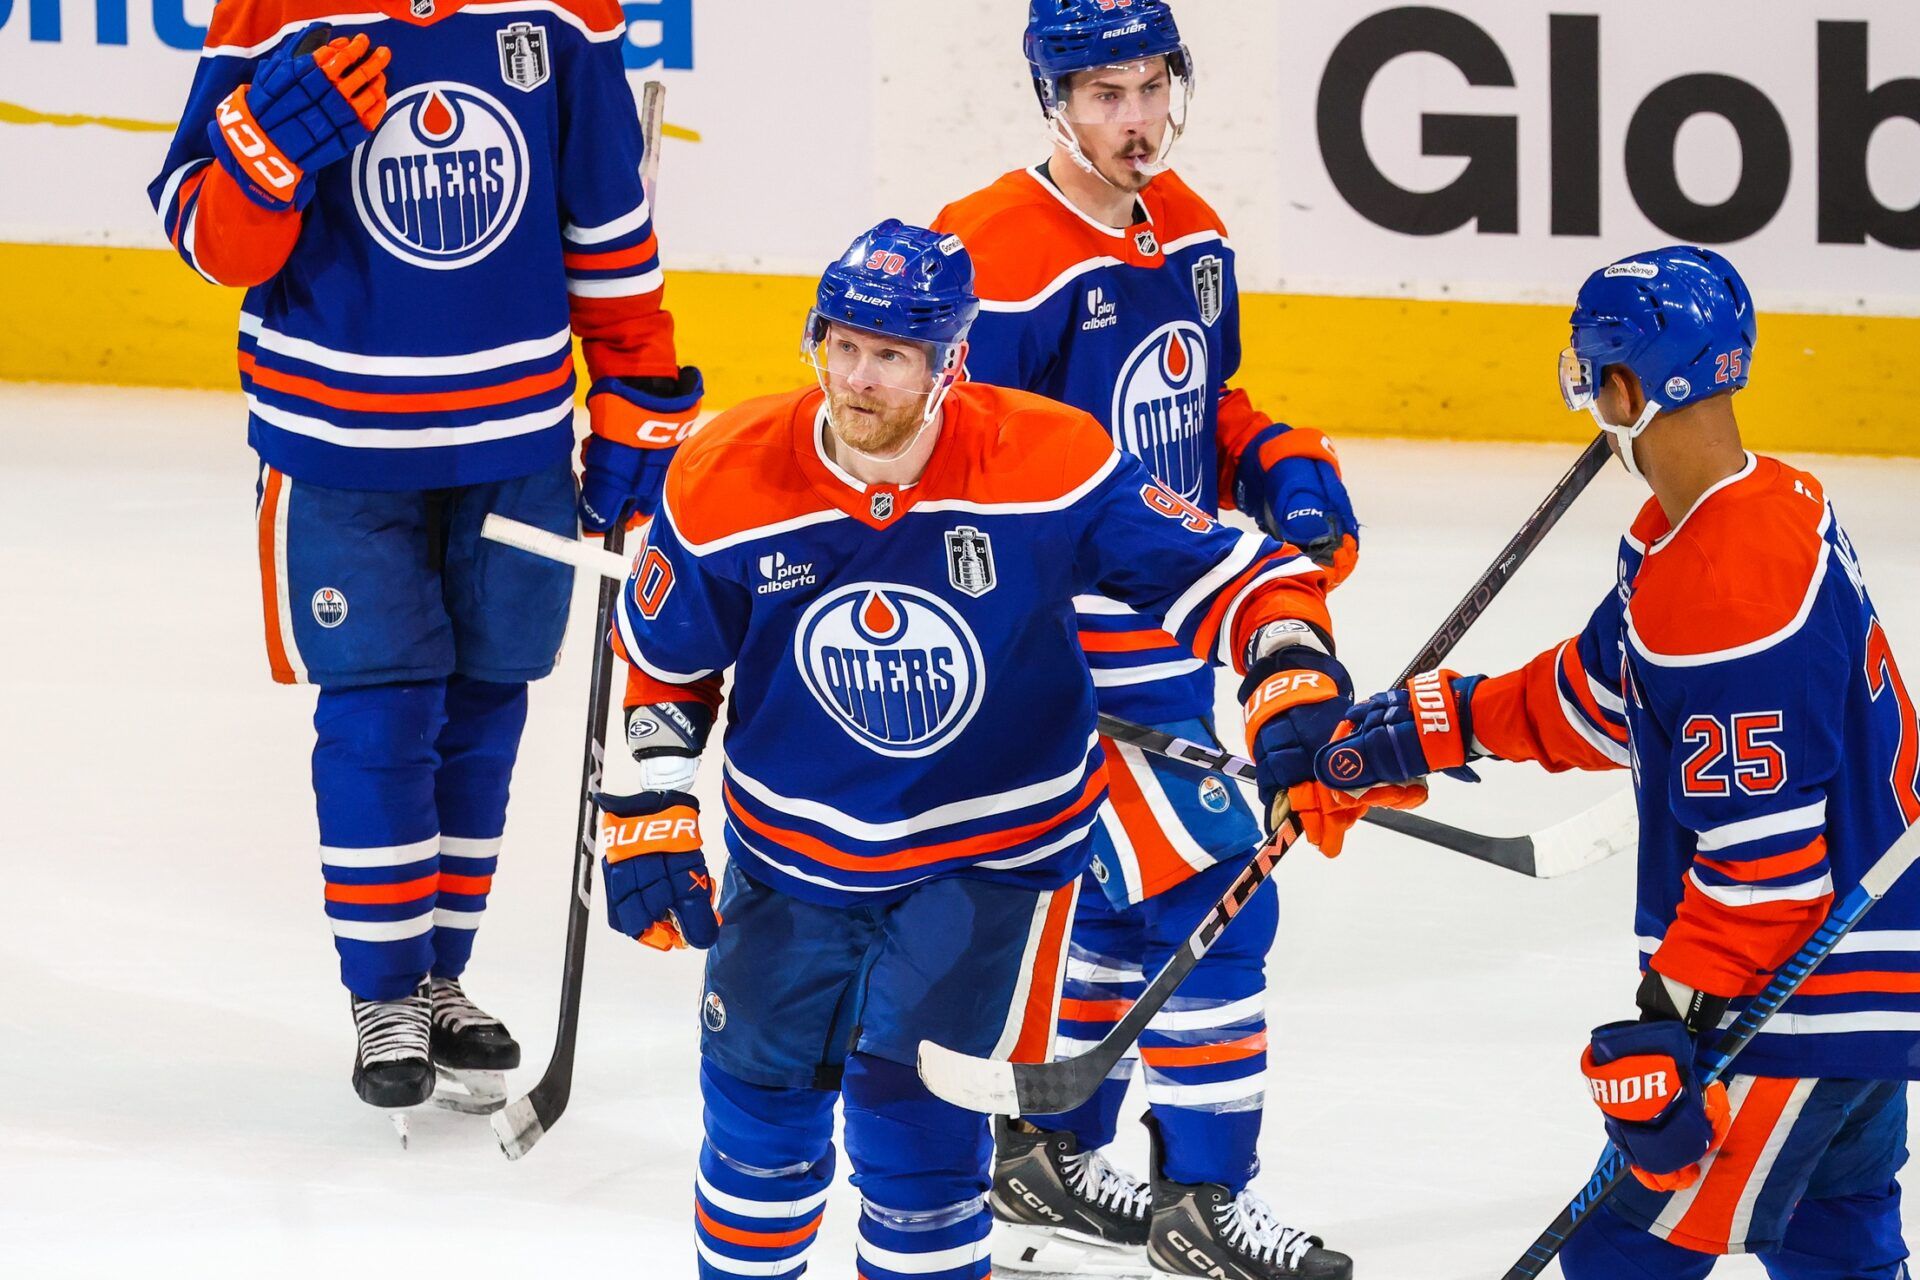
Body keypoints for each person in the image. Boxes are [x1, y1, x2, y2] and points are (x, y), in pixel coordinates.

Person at [597, 219, 1371, 1280]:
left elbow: (1233, 571)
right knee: (756, 1138)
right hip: (790, 866)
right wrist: (649, 798)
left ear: (948, 361)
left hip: (985, 869)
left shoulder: (1045, 464)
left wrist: (1290, 676)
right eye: (842, 345)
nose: (858, 380)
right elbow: (665, 665)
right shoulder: (722, 474)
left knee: (917, 1147)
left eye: (892, 355)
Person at [1319, 246, 1917, 1279]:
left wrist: (1670, 1022)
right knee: (1838, 1235)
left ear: (1628, 387)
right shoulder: (1750, 510)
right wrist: (1436, 723)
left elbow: (1766, 869)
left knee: (1624, 1250)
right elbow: (1608, 694)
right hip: (1871, 973)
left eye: (1595, 373)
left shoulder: (1726, 590)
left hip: (1803, 994)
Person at [148, 0, 702, 1110]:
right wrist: (266, 155)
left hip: (519, 441)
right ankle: (384, 991)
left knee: (488, 708)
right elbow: (206, 238)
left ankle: (442, 975)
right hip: (340, 448)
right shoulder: (274, 12)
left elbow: (603, 213)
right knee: (379, 716)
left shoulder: (563, 15)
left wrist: (638, 385)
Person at [931, 3, 1358, 1273]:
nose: (1137, 118)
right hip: (1057, 656)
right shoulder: (995, 254)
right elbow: (963, 471)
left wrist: (1273, 462)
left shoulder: (1195, 229)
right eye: (1105, 94)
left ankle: (1045, 1157)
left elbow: (1201, 401)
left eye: (1151, 85)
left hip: (1170, 635)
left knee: (1120, 917)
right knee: (1211, 900)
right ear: (1052, 98)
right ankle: (1203, 1199)